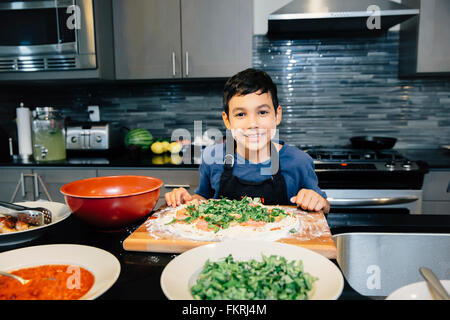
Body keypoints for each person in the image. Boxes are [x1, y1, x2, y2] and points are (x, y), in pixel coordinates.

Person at [165, 68, 330, 213]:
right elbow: (202, 198)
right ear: (227, 120)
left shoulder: (298, 162)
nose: (252, 124)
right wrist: (187, 200)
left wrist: (317, 201)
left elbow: (324, 207)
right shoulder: (212, 157)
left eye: (262, 112)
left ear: (277, 115)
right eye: (241, 114)